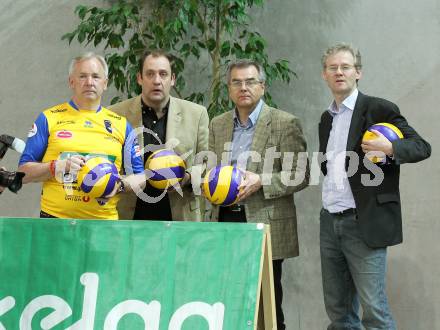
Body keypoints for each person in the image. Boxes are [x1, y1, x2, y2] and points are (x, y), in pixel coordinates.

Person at [319, 43, 431, 329]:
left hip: (364, 222)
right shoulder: (326, 119)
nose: (339, 72)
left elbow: (421, 147)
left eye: (345, 67)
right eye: (333, 68)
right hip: (330, 223)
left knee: (374, 311)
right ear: (324, 75)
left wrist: (391, 147)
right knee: (338, 312)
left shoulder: (379, 109)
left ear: (359, 73)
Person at [207, 59, 309, 329]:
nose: (243, 87)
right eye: (236, 82)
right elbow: (208, 168)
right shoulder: (217, 125)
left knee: (268, 305)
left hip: (266, 224)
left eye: (250, 81)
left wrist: (260, 181)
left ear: (262, 86)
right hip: (225, 221)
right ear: (229, 89)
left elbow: (300, 174)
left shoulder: (284, 123)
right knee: (229, 298)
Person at [18, 52, 145, 219]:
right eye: (82, 76)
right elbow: (23, 173)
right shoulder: (49, 118)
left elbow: (141, 177)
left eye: (96, 77)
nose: (89, 82)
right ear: (72, 81)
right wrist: (57, 167)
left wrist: (120, 185)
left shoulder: (121, 124)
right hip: (55, 222)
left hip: (103, 225)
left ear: (105, 83)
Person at [109, 50, 209, 221]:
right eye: (150, 74)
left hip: (180, 214)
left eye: (163, 74)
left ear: (172, 79)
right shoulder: (115, 114)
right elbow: (109, 163)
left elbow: (206, 163)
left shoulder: (197, 114)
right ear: (139, 78)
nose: (157, 81)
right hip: (130, 214)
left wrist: (186, 177)